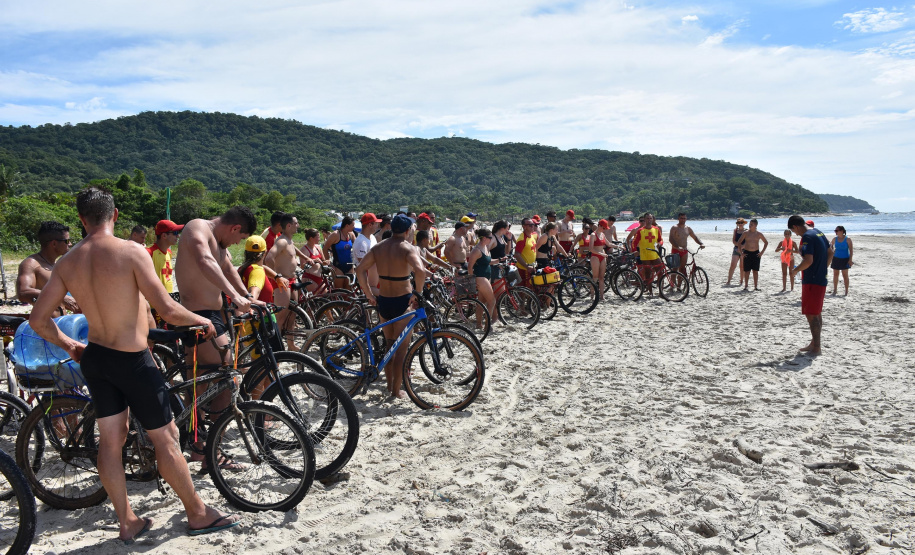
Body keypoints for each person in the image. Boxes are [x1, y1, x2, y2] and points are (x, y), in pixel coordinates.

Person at [28, 187, 239, 542]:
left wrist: (69, 344)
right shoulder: (131, 252)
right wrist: (203, 322)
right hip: (133, 360)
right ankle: (198, 513)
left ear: (81, 220)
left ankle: (127, 521)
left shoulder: (66, 262)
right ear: (115, 215)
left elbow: (37, 320)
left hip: (96, 356)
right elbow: (168, 309)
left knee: (111, 441)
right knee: (167, 438)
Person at [175, 206, 261, 470]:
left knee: (209, 381)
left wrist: (246, 296)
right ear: (235, 228)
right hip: (196, 315)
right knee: (225, 378)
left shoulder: (221, 244)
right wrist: (233, 296)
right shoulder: (197, 227)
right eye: (239, 238)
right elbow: (205, 261)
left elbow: (226, 268)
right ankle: (205, 449)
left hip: (213, 314)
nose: (237, 243)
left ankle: (204, 446)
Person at [355, 214, 429, 399]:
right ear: (406, 230)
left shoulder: (378, 247)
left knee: (389, 347)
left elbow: (359, 270)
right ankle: (396, 392)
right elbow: (420, 271)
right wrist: (417, 293)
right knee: (401, 351)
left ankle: (389, 387)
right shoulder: (407, 248)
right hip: (403, 301)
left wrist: (369, 294)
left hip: (384, 301)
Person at [789, 216, 833, 355]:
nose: (796, 234)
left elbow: (808, 260)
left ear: (795, 227)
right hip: (820, 277)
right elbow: (831, 251)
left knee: (811, 314)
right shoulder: (818, 232)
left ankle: (817, 347)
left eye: (794, 231)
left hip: (812, 279)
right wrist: (823, 268)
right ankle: (814, 343)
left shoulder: (807, 236)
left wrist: (795, 270)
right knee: (816, 312)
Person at [17, 221, 80, 315]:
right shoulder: (31, 263)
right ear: (54, 243)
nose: (70, 244)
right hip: (45, 326)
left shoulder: (56, 265)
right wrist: (62, 297)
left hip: (61, 323)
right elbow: (23, 292)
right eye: (66, 241)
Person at [263, 213, 305, 350]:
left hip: (292, 280)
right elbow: (268, 259)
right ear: (289, 225)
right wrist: (276, 276)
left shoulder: (289, 240)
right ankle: (275, 350)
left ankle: (291, 344)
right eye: (296, 223)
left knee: (292, 314)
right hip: (283, 282)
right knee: (280, 317)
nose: (298, 225)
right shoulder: (281, 241)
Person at [467, 228, 497, 319]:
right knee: (492, 301)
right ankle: (487, 325)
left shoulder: (485, 248)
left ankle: (479, 324)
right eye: (490, 238)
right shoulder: (476, 250)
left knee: (481, 302)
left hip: (486, 276)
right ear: (484, 238)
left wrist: (499, 260)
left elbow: (488, 261)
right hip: (480, 277)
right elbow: (470, 267)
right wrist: (472, 282)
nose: (491, 239)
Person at [147, 220, 183, 293]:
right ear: (164, 236)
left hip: (168, 297)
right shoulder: (148, 253)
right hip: (153, 301)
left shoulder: (169, 252)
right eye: (175, 233)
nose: (178, 235)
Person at [627, 213, 663, 284]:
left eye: (650, 218)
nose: (649, 220)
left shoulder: (656, 229)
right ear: (645, 219)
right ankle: (649, 292)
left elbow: (660, 239)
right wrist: (634, 251)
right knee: (648, 274)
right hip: (645, 254)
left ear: (652, 219)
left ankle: (660, 291)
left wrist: (660, 243)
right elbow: (634, 242)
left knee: (660, 272)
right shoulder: (640, 230)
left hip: (654, 253)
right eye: (647, 218)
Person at [323, 216, 357, 289]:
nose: (354, 227)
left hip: (350, 266)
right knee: (339, 290)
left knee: (349, 291)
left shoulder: (351, 234)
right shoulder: (335, 234)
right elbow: (325, 248)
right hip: (338, 267)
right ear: (347, 225)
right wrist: (328, 261)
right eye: (353, 225)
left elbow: (357, 247)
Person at [737, 219, 768, 291]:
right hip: (747, 253)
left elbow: (766, 242)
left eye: (752, 224)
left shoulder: (759, 234)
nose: (750, 226)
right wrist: (741, 253)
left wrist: (762, 253)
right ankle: (746, 286)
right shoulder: (746, 233)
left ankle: (756, 286)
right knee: (747, 271)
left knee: (755, 271)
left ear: (756, 225)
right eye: (750, 224)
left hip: (756, 253)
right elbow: (739, 242)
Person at [300, 228, 329, 293]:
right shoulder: (304, 250)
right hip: (310, 277)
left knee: (325, 297)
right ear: (311, 238)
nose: (319, 239)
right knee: (314, 299)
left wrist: (326, 262)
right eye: (317, 237)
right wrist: (313, 260)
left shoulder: (318, 247)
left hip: (320, 277)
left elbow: (323, 261)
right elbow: (302, 266)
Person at [514, 217, 539, 283]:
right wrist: (527, 266)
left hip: (532, 267)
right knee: (525, 290)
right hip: (524, 269)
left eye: (533, 224)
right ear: (524, 227)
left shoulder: (532, 236)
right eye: (530, 225)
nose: (533, 226)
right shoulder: (522, 239)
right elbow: (517, 254)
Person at [830, 226, 853, 296]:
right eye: (835, 231)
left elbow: (851, 250)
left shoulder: (848, 239)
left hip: (845, 259)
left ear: (842, 231)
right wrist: (832, 251)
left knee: (845, 275)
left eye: (837, 230)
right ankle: (835, 290)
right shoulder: (835, 239)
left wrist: (850, 260)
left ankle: (846, 291)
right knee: (835, 275)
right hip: (836, 258)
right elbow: (830, 246)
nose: (835, 232)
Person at [727, 218, 747, 286]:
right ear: (737, 224)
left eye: (741, 223)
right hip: (736, 249)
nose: (740, 224)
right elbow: (733, 241)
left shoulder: (746, 231)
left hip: (744, 250)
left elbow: (747, 242)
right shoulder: (735, 231)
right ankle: (729, 280)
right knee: (732, 265)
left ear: (744, 223)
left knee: (742, 266)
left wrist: (741, 247)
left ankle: (741, 281)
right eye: (739, 223)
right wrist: (738, 247)